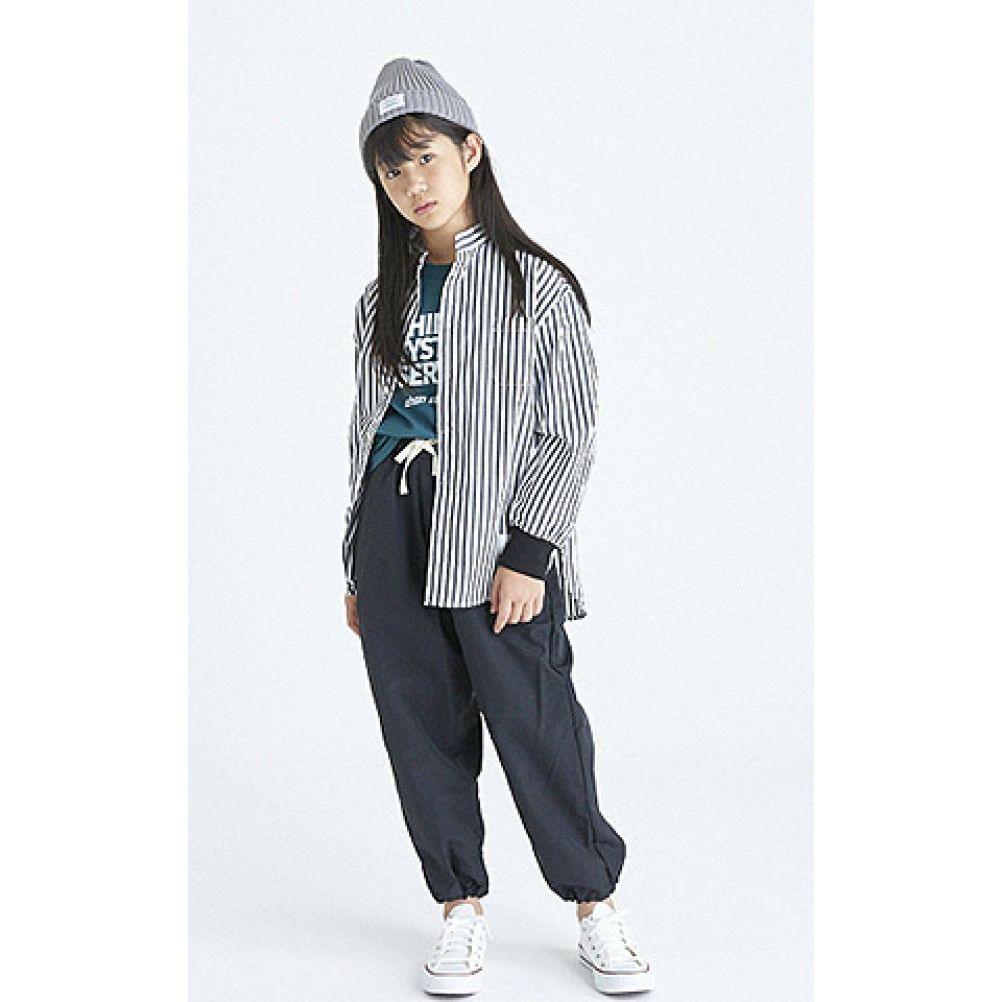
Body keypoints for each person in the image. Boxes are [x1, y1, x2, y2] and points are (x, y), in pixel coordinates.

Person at [344, 57, 654, 996]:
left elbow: (568, 430)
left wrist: (529, 552)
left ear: (470, 151)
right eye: (392, 170)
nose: (413, 183)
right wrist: (356, 563)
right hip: (393, 529)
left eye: (426, 157)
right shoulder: (381, 300)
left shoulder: (536, 286)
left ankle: (595, 905)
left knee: (536, 719)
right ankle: (459, 909)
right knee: (420, 725)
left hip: (494, 538)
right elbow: (364, 432)